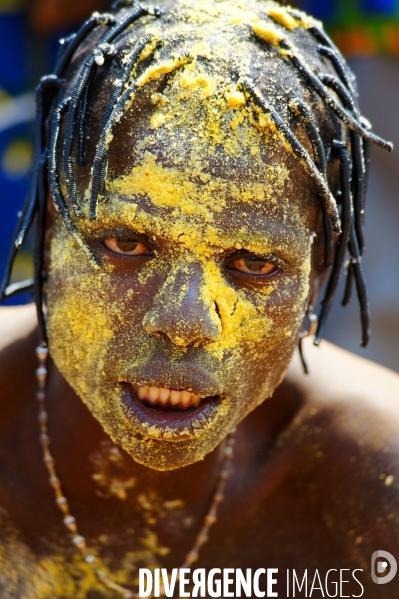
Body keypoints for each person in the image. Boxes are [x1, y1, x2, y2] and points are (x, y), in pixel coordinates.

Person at [0, 0, 398, 597]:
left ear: (315, 279)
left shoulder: (377, 493)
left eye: (254, 264)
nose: (186, 323)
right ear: (52, 232)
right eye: (127, 244)